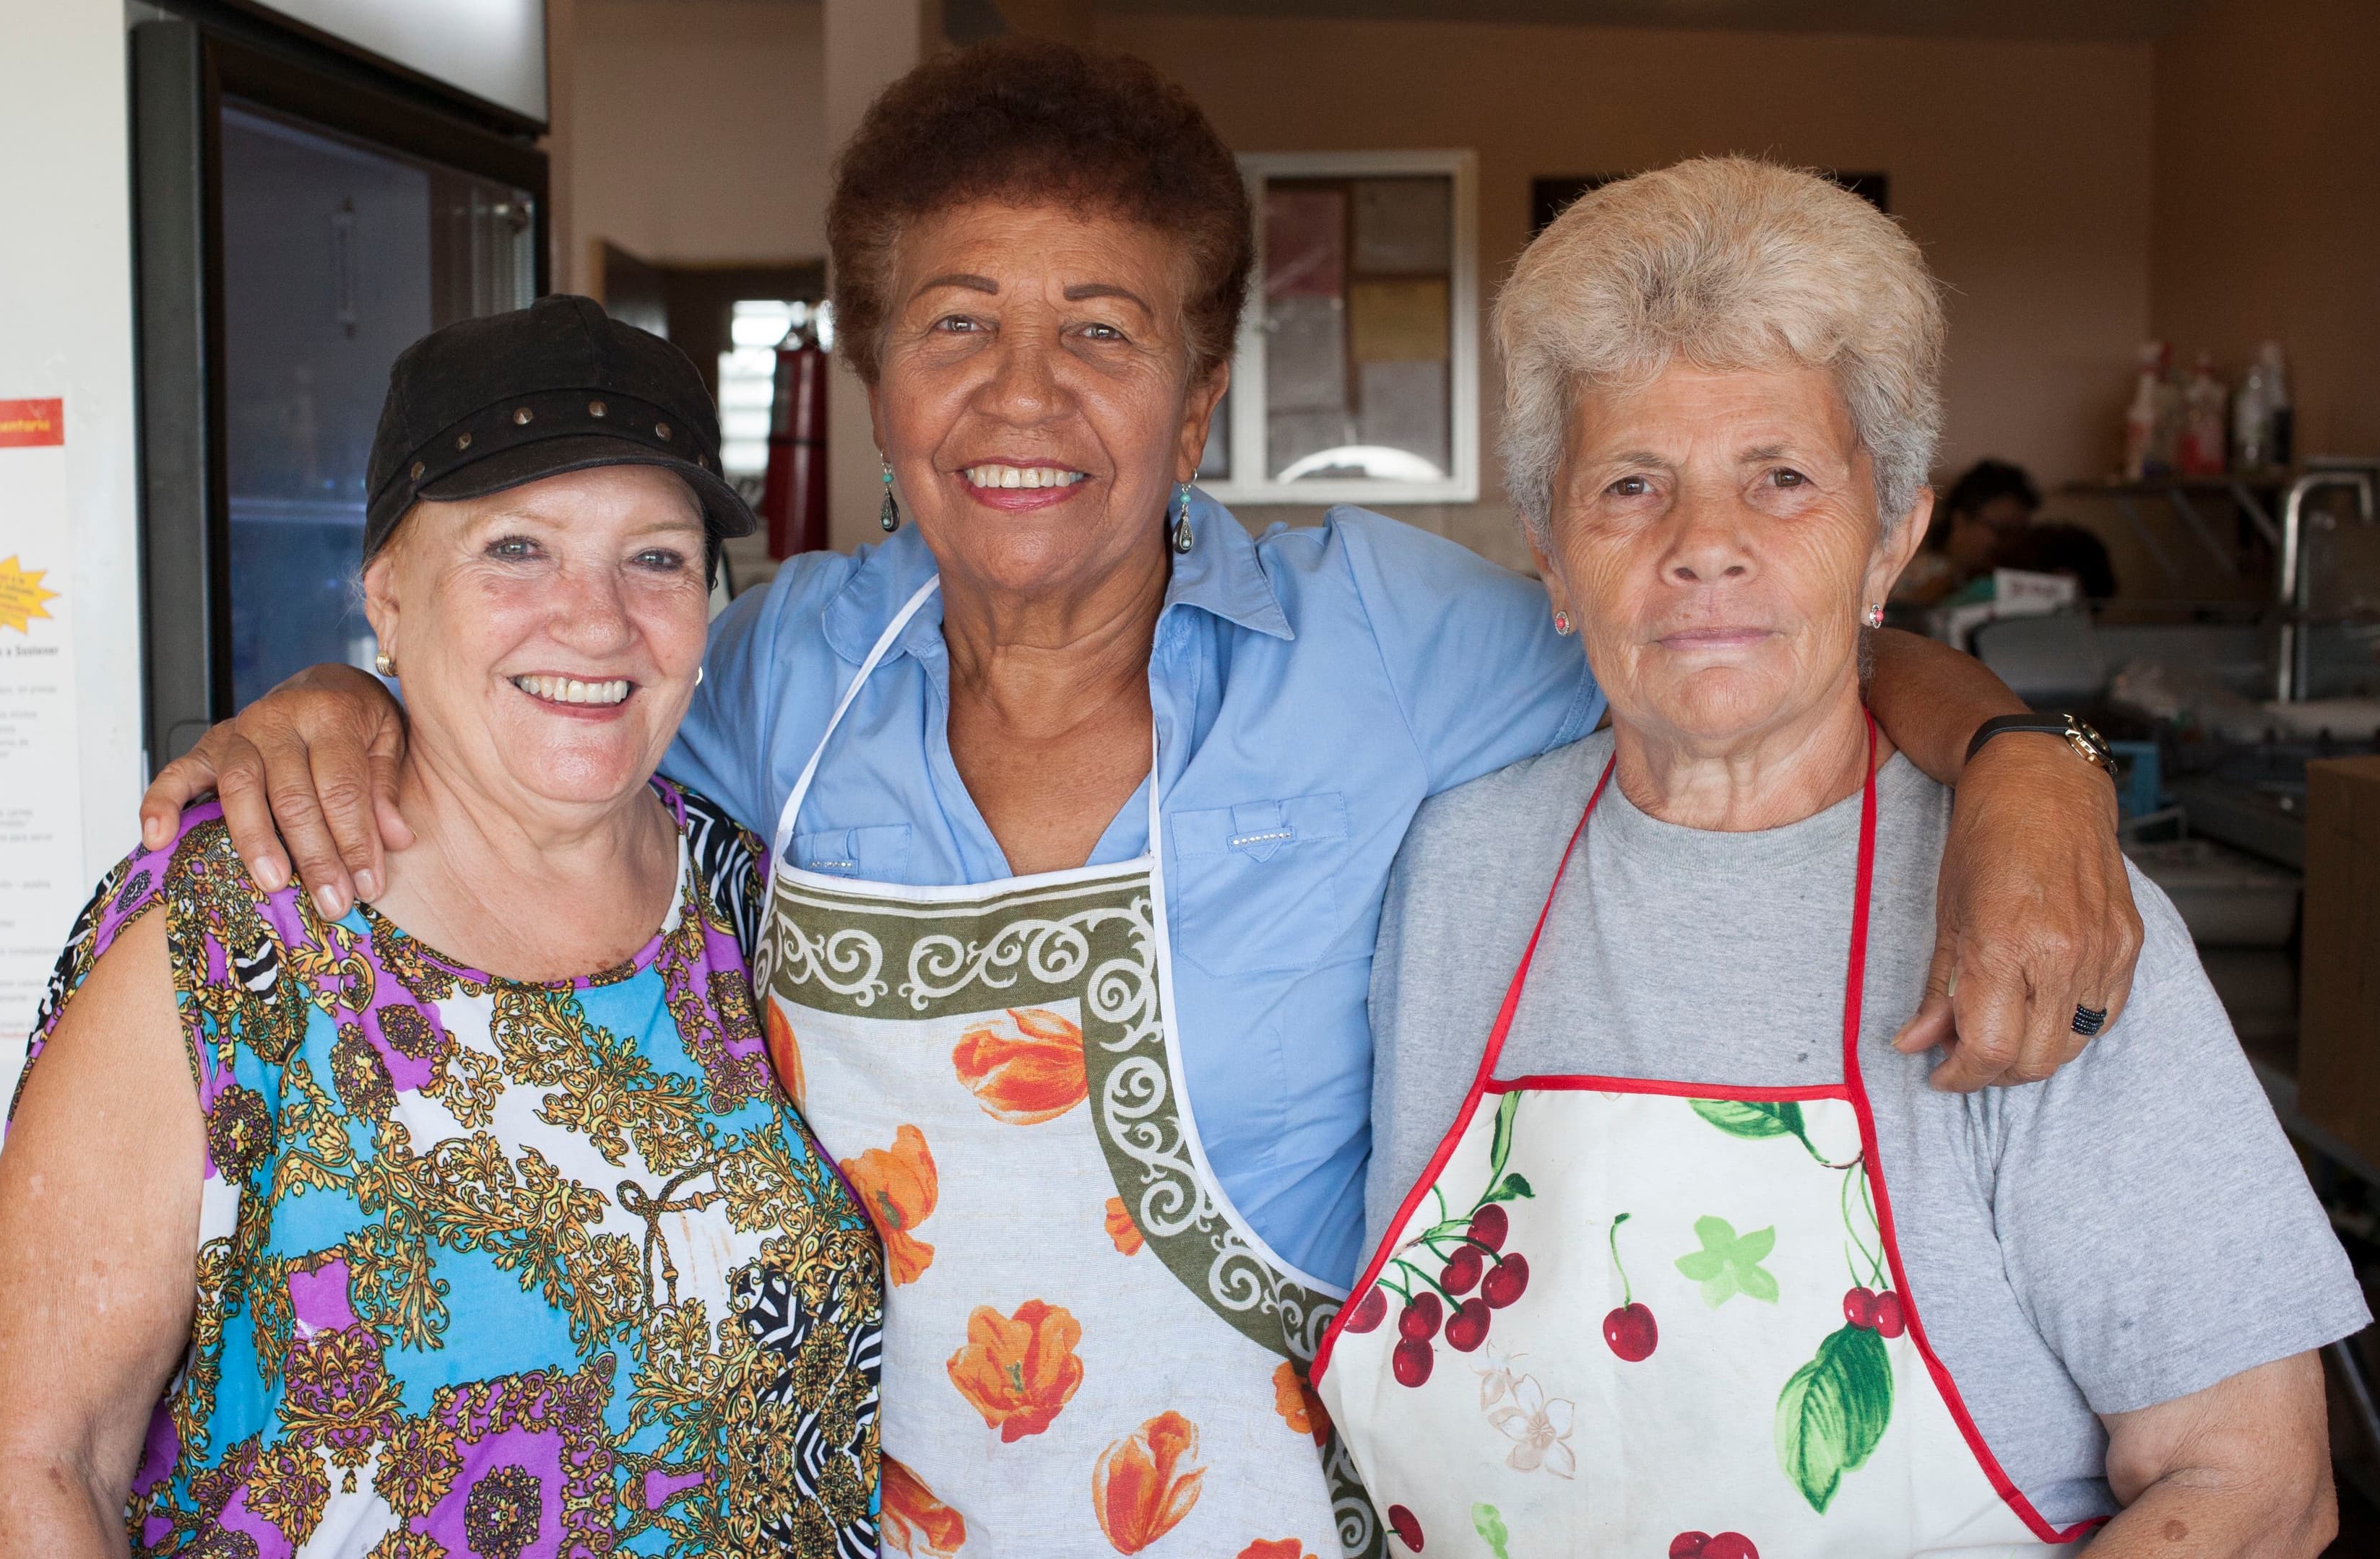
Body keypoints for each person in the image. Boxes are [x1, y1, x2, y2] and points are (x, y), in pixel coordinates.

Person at [139, 41, 2144, 1558]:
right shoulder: (763, 670)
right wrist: (345, 688)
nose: (1024, 398)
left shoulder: (1402, 646)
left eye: (1101, 333)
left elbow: (1746, 639)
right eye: (959, 329)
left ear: (1197, 399)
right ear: (882, 387)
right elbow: (530, 713)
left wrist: (2027, 765)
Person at [1321, 160, 2360, 1558]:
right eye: (1632, 484)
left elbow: (2255, 1492)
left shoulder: (2042, 915)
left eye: (1782, 478)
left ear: (1891, 543)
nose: (1705, 548)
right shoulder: (1456, 868)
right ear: (1553, 558)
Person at [0, 298, 884, 1558]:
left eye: (655, 556)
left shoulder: (755, 899)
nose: (599, 618)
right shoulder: (233, 930)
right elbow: (34, 1464)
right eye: (515, 547)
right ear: (386, 596)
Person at [1894, 458, 2038, 607]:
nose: (2010, 544)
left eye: (2020, 534)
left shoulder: (2022, 578)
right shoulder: (1918, 572)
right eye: (2002, 530)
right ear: (1961, 520)